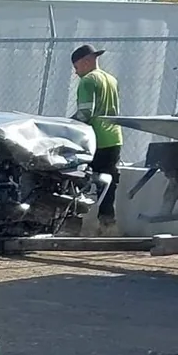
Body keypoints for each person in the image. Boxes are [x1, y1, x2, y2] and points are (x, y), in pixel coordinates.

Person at [70, 44, 123, 231]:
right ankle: (108, 224)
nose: (76, 72)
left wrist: (66, 125)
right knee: (108, 183)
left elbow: (85, 113)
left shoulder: (88, 81)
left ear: (86, 62)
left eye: (76, 67)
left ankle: (72, 223)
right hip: (114, 138)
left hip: (94, 140)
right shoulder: (111, 79)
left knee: (74, 178)